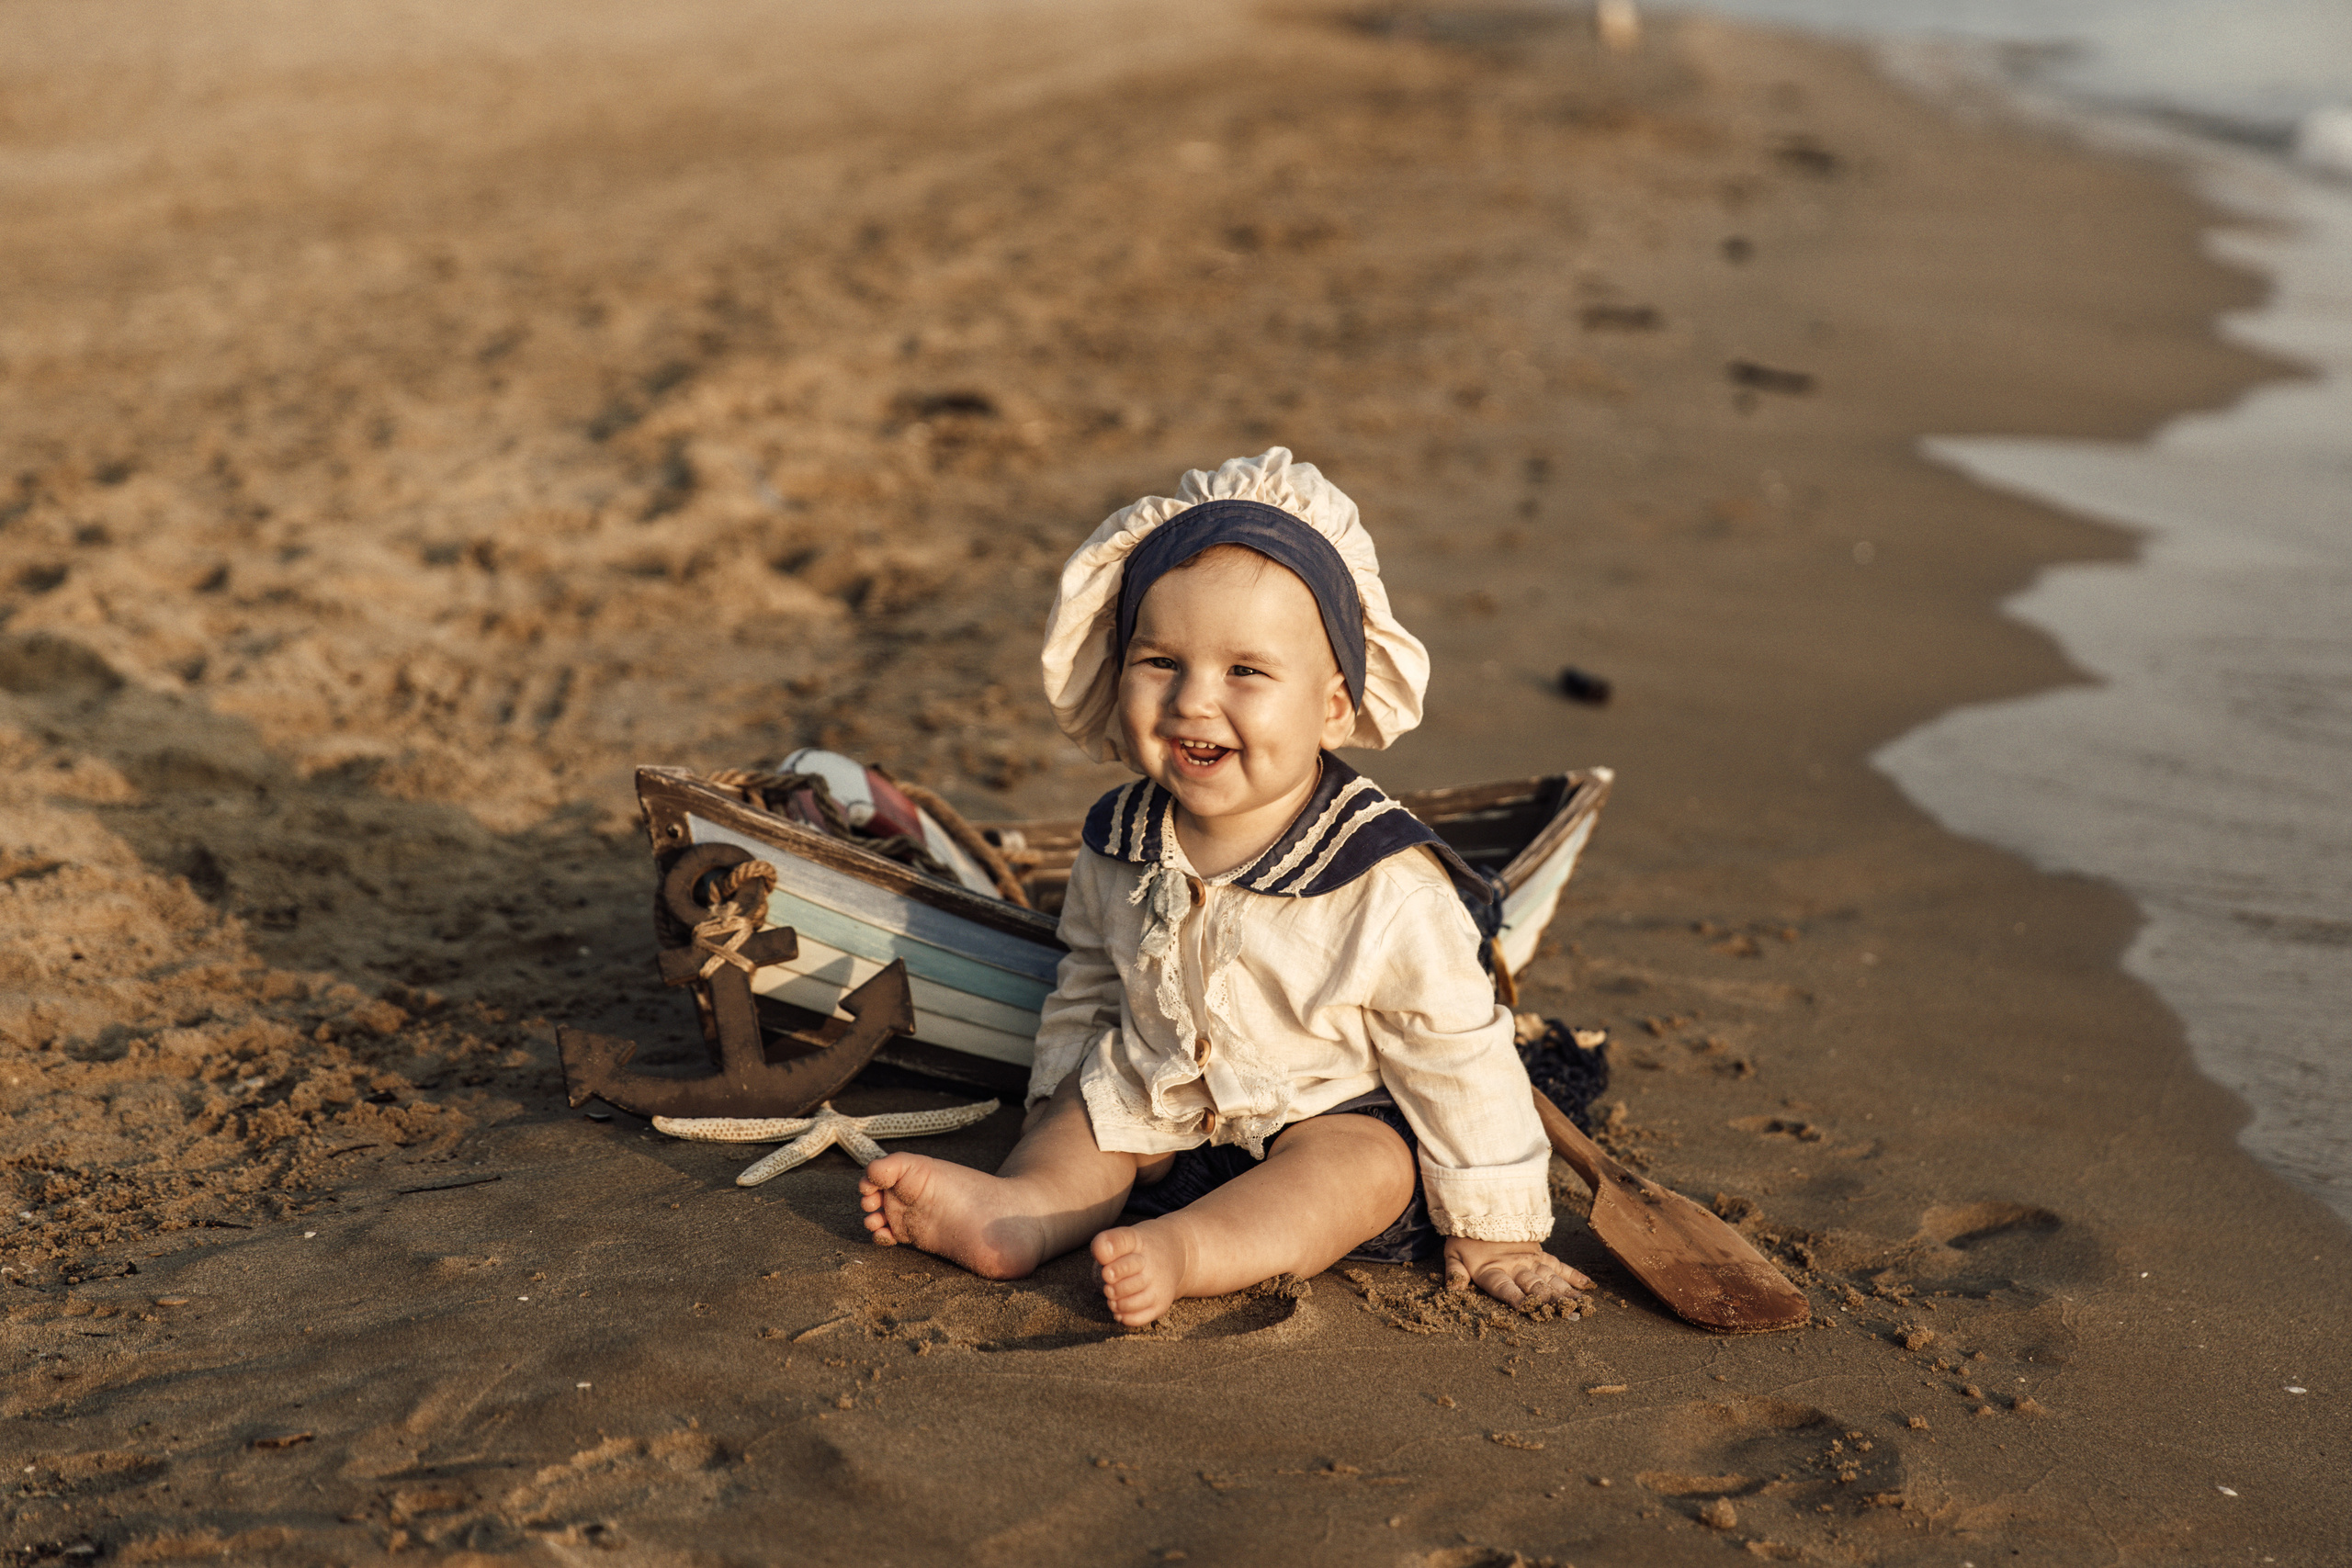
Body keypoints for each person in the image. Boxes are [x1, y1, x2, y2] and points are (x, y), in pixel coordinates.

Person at [859, 449, 1589, 1325]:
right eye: (1161, 662)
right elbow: (1089, 980)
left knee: (1367, 1165)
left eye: (1246, 671)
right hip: (1167, 1106)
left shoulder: (1385, 883)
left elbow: (1458, 1055)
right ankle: (1019, 1212)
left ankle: (1190, 1249)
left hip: (1324, 1114)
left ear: (1333, 705)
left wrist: (1496, 1226)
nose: (1194, 702)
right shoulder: (1120, 842)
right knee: (1093, 1111)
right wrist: (1059, 1095)